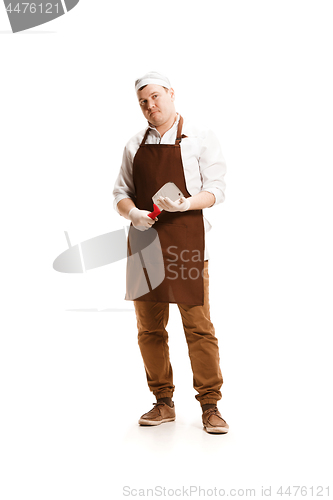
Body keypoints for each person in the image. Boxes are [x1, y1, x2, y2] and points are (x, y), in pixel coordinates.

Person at [113, 71, 228, 434]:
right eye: (143, 102)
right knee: (149, 329)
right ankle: (162, 402)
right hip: (145, 244)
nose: (151, 105)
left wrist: (184, 204)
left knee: (198, 327)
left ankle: (210, 405)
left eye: (155, 96)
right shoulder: (134, 144)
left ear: (171, 93)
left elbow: (218, 190)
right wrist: (134, 213)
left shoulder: (200, 138)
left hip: (187, 243)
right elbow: (120, 193)